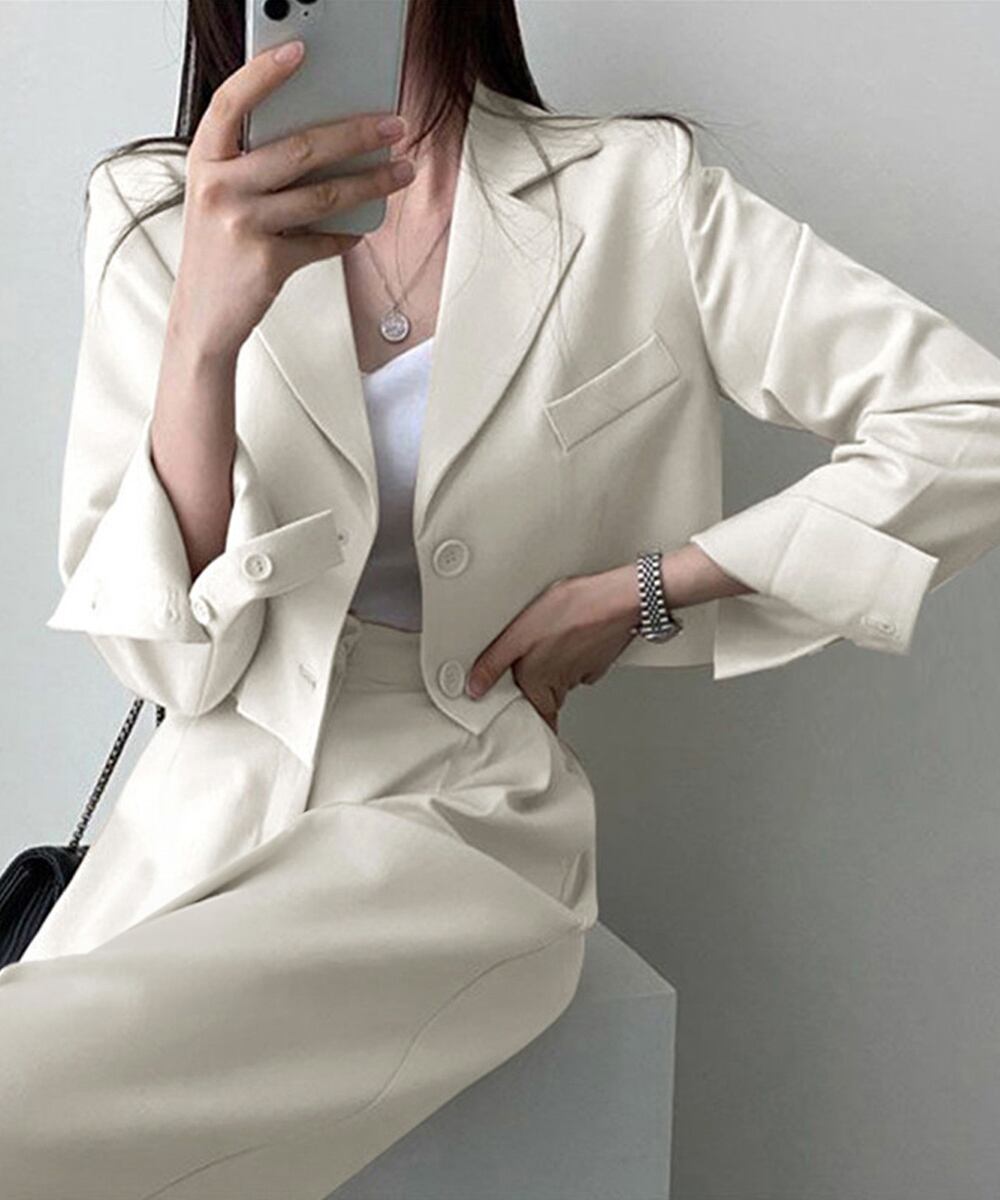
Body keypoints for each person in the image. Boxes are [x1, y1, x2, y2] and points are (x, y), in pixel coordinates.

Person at [4, 1, 1000, 1196]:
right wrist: (202, 342)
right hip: (199, 808)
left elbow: (967, 426)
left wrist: (642, 590)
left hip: (469, 812)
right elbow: (168, 667)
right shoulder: (158, 213)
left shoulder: (630, 192)